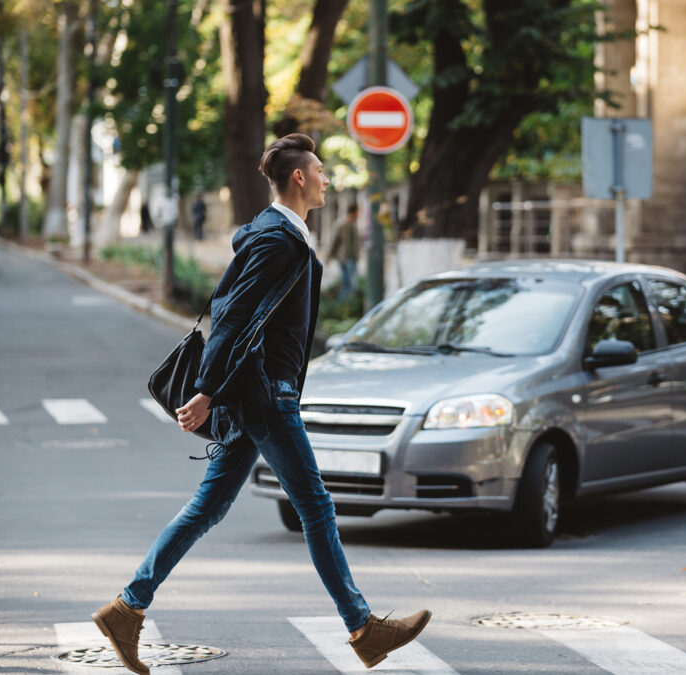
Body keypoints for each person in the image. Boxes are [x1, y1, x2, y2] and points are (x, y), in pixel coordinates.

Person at [91, 133, 431, 674]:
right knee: (316, 507)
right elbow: (232, 317)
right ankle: (363, 627)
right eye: (320, 169)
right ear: (299, 177)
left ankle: (127, 608)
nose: (325, 177)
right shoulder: (277, 239)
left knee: (209, 507)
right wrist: (205, 391)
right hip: (265, 395)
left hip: (258, 394)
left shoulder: (281, 234)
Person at [328, 202, 360, 302]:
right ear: (354, 212)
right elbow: (334, 242)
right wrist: (328, 257)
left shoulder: (354, 225)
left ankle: (346, 305)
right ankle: (341, 304)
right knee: (350, 284)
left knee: (350, 284)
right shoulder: (341, 225)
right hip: (345, 258)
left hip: (353, 257)